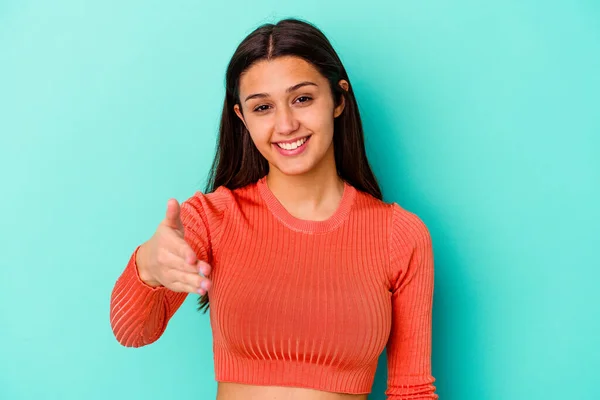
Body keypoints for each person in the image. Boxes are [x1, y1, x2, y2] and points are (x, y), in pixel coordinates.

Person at [109, 18, 438, 400]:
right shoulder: (210, 219)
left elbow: (411, 391)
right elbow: (132, 333)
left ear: (338, 100)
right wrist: (148, 265)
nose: (285, 124)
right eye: (263, 107)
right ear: (241, 117)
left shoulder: (400, 235)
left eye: (302, 98)